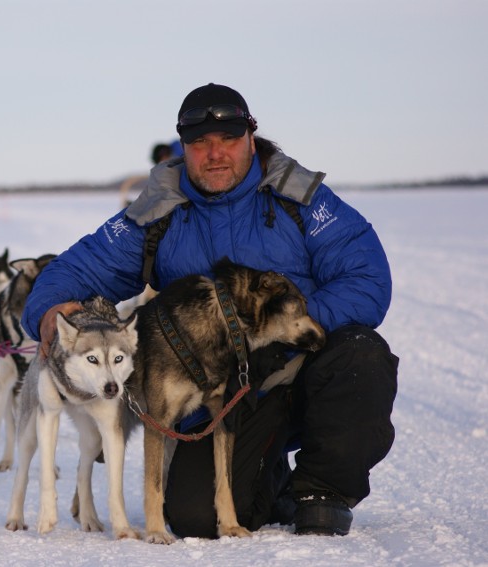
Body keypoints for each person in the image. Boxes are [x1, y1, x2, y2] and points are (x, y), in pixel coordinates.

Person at [21, 83, 398, 538]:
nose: (215, 153)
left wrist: (276, 332)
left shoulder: (300, 198)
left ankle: (323, 490)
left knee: (361, 354)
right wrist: (48, 309)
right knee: (197, 519)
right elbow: (79, 267)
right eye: (199, 142)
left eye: (229, 139)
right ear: (183, 147)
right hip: (223, 390)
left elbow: (367, 278)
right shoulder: (160, 210)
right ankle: (268, 479)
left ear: (252, 139)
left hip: (301, 364)